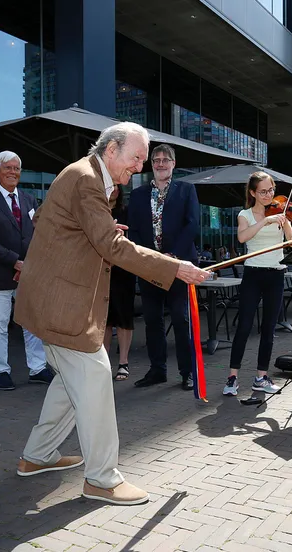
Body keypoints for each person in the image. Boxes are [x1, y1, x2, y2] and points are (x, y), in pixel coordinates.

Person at [13, 122, 210, 506]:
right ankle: (102, 479)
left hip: (53, 303)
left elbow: (55, 222)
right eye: (136, 158)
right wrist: (174, 267)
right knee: (97, 377)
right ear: (111, 150)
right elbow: (111, 246)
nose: (139, 167)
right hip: (62, 307)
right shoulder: (87, 179)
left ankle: (37, 456)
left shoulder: (86, 176)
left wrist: (97, 227)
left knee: (69, 383)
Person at [222, 172, 292, 397]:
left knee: (269, 328)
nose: (268, 195)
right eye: (263, 191)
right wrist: (265, 221)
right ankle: (232, 377)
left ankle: (261, 377)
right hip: (253, 274)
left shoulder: (282, 213)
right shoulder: (245, 215)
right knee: (244, 326)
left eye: (271, 190)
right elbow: (242, 237)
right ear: (253, 193)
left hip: (276, 274)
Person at [0, 150, 52, 390]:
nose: (13, 172)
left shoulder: (29, 200)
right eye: (7, 167)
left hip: (28, 274)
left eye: (16, 168)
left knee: (31, 323)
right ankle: (2, 371)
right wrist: (14, 261)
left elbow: (38, 234)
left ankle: (37, 368)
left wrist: (32, 262)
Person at [128, 145, 201, 391]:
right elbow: (133, 230)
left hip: (179, 265)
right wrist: (150, 258)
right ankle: (157, 370)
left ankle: (187, 372)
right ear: (151, 164)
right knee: (152, 320)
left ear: (173, 163)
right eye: (156, 160)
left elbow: (192, 225)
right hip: (149, 266)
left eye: (165, 159)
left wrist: (172, 256)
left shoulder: (186, 190)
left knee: (181, 318)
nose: (160, 163)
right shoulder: (137, 195)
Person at [104, 185, 136, 382]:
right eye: (109, 185)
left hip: (123, 271)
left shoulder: (127, 212)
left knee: (124, 317)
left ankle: (123, 362)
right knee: (104, 319)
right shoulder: (96, 210)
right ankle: (104, 363)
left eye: (116, 186)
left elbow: (134, 241)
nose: (113, 189)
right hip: (101, 270)